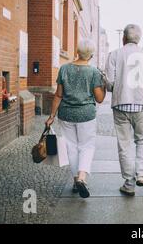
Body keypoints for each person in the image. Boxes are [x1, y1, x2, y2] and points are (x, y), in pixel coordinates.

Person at [105, 24, 143, 197]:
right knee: (142, 140)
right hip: (140, 106)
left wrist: (118, 87)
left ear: (123, 38)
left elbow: (109, 83)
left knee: (124, 144)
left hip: (120, 105)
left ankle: (129, 183)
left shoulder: (114, 54)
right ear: (138, 39)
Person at [45, 39, 106, 199]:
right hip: (86, 115)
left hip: (66, 114)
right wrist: (104, 88)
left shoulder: (64, 69)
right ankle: (81, 178)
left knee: (70, 147)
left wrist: (51, 116)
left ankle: (74, 181)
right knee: (86, 146)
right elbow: (99, 99)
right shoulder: (94, 72)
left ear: (77, 51)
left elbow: (58, 95)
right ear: (91, 55)